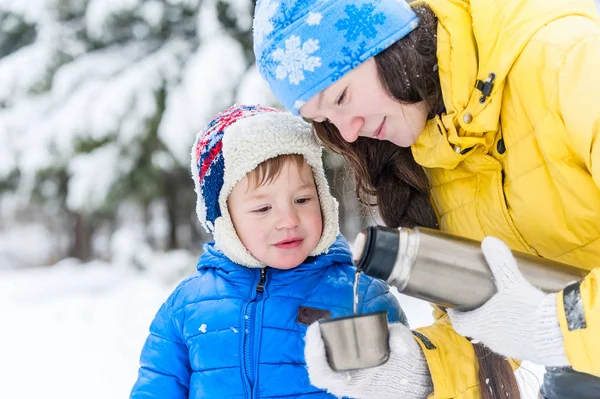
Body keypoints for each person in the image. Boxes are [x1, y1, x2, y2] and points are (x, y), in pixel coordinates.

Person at [252, 0, 600, 398]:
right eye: (325, 118)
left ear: (388, 44)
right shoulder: (428, 151)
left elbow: (541, 324)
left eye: (343, 96)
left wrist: (559, 324)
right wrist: (415, 370)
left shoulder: (567, 62)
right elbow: (485, 326)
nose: (347, 133)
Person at [129, 104, 407, 398]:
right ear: (225, 220)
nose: (288, 220)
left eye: (302, 200)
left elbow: (402, 384)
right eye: (263, 208)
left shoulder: (357, 297)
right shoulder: (187, 306)